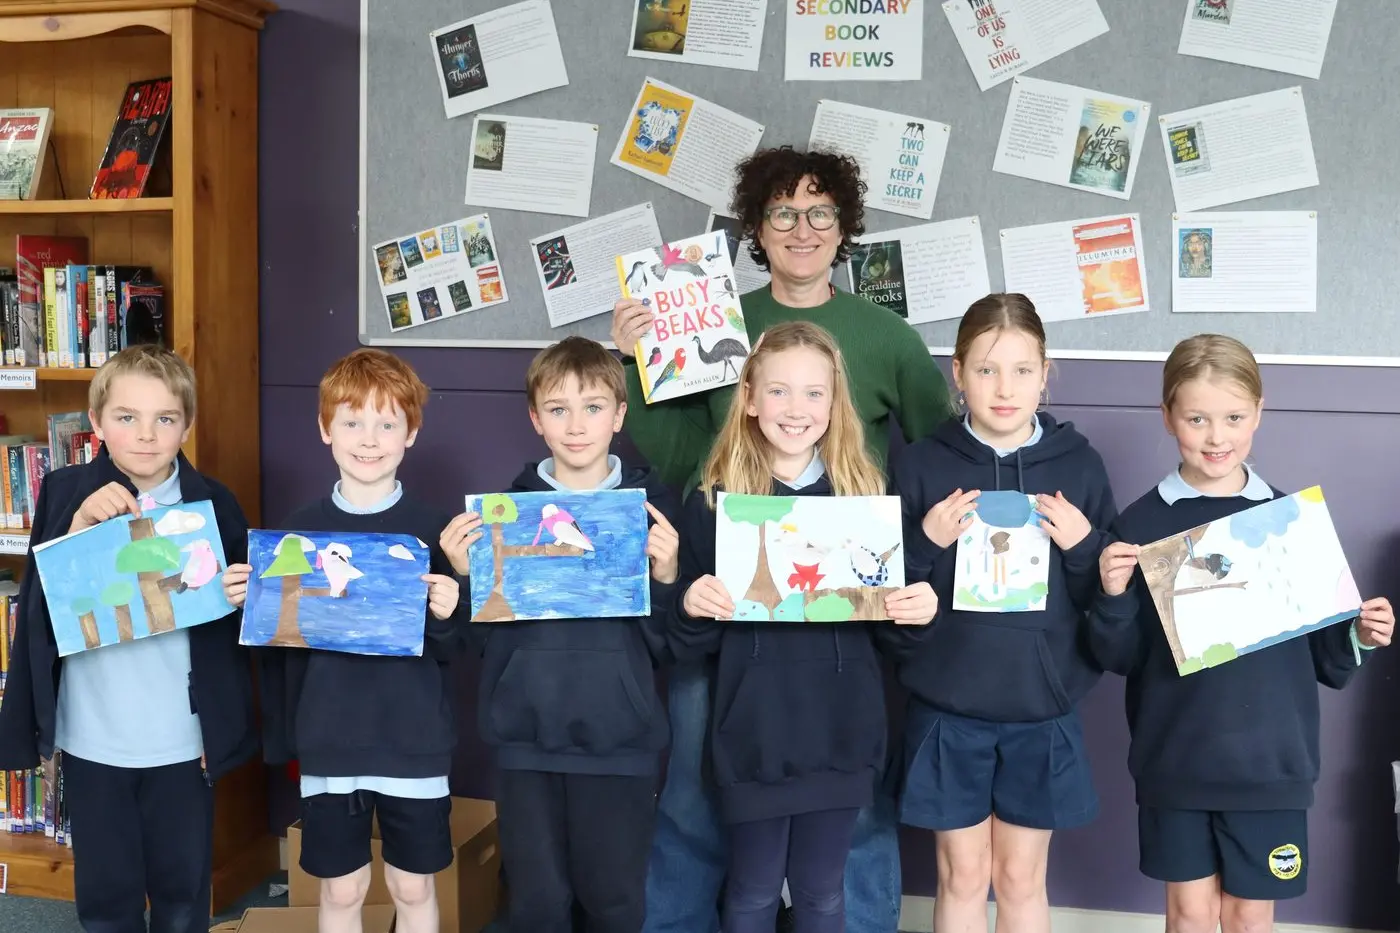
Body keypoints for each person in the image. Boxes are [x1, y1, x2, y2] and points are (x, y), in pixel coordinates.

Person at [613, 145, 953, 933]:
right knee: (700, 791)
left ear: (845, 227)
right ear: (756, 229)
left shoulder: (886, 335)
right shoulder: (716, 316)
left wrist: (916, 548)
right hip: (726, 586)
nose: (803, 227)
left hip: (839, 620)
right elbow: (671, 451)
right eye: (783, 212)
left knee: (851, 809)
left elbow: (935, 446)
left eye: (821, 211)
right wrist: (634, 354)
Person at [1087, 334, 1394, 933]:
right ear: (1168, 416)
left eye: (1233, 417)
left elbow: (1327, 661)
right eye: (1196, 418)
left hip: (1271, 767)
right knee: (1190, 914)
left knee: (1251, 918)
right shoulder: (1138, 525)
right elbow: (1117, 656)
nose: (1216, 436)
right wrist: (1112, 595)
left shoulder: (1287, 522)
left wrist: (1360, 632)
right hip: (1175, 761)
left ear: (1259, 411)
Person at [670, 321, 938, 933]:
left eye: (815, 393)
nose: (797, 409)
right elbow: (684, 645)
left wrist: (917, 615)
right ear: (750, 398)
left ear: (835, 403)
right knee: (753, 890)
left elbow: (891, 632)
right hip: (753, 734)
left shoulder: (865, 496)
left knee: (822, 894)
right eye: (781, 391)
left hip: (840, 734)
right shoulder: (714, 503)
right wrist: (692, 606)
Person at [0, 345, 256, 933]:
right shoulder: (65, 493)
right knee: (107, 898)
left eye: (165, 418)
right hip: (93, 740)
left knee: (181, 896)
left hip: (182, 743)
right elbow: (40, 609)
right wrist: (78, 528)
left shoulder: (213, 504)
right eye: (126, 417)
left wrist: (243, 594)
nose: (145, 435)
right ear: (96, 424)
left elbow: (244, 633)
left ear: (187, 425)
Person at [889, 294, 1116, 933]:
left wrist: (1083, 549)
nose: (1005, 388)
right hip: (947, 706)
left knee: (1020, 878)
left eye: (1022, 370)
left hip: (1040, 708)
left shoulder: (1079, 465)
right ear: (957, 374)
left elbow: (1111, 597)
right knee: (961, 878)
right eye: (986, 370)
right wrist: (926, 542)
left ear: (1046, 375)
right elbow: (885, 591)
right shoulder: (922, 463)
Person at [440, 336, 682, 933]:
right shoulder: (506, 511)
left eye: (594, 407)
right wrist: (466, 579)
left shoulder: (653, 511)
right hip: (527, 744)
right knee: (536, 906)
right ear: (535, 418)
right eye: (558, 409)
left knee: (614, 903)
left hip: (621, 744)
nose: (576, 425)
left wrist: (670, 577)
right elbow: (476, 643)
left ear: (621, 415)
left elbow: (675, 645)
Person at [223, 348, 464, 933]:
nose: (369, 438)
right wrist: (245, 602)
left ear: (412, 433)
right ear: (326, 428)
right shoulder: (297, 531)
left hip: (413, 738)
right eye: (352, 421)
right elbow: (280, 645)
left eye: (388, 423)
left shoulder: (439, 531)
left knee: (413, 885)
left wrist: (453, 607)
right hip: (330, 738)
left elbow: (456, 649)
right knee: (341, 889)